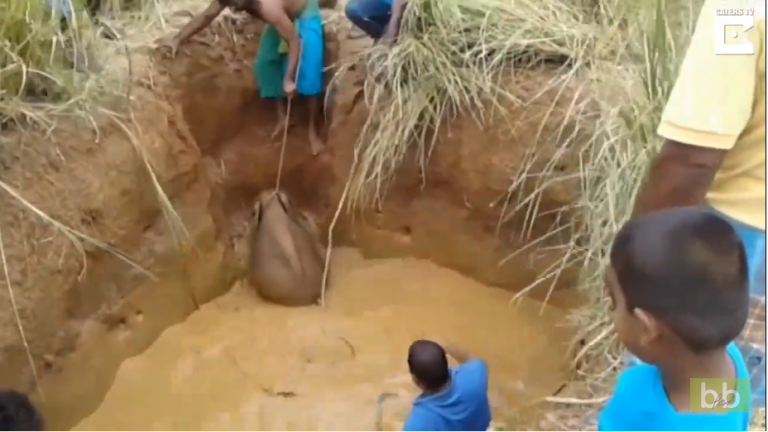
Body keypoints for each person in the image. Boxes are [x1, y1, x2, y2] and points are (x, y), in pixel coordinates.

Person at [631, 0, 765, 408]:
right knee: (741, 387)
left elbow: (693, 158)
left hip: (735, 242)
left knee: (685, 389)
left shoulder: (739, 10)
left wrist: (633, 262)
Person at [599, 207, 752, 431]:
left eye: (614, 302)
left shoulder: (655, 420)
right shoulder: (725, 360)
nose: (612, 312)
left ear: (646, 328)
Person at [159, 0, 326, 155]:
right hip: (282, 16)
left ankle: (313, 131)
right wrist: (177, 40)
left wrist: (288, 79)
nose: (232, 7)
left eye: (234, 2)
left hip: (304, 11)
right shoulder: (232, 0)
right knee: (265, 63)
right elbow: (206, 16)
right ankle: (284, 119)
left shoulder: (268, 6)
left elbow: (294, 41)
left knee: (309, 70)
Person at [403, 340, 491, 431]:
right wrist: (447, 347)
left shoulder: (417, 424)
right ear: (446, 363)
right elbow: (469, 359)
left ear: (415, 380)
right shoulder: (476, 375)